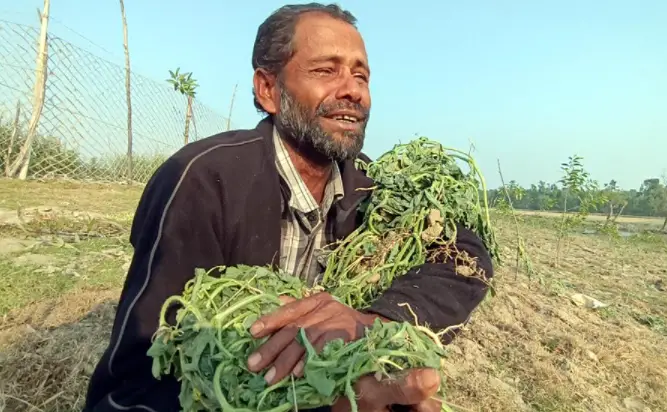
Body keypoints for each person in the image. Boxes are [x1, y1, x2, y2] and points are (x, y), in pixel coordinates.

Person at [83, 3, 494, 412]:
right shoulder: (204, 180)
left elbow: (466, 258)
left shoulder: (377, 186)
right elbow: (136, 379)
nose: (352, 90)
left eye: (360, 75)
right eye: (325, 70)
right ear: (268, 90)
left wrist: (374, 322)